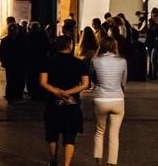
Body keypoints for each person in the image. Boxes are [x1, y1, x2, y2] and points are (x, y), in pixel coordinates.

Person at [39, 35, 90, 166]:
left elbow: (43, 82)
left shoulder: (47, 61)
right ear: (70, 46)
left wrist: (57, 92)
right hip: (72, 104)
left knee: (52, 134)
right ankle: (66, 164)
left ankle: (53, 161)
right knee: (69, 136)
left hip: (53, 103)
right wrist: (68, 93)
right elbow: (85, 84)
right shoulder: (79, 63)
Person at [90, 35, 126, 166]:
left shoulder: (95, 60)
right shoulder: (122, 61)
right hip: (117, 98)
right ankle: (111, 163)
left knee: (99, 131)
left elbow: (92, 78)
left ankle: (99, 162)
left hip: (100, 97)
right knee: (114, 134)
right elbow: (123, 81)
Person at [0, 20, 24, 101]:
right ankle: (17, 95)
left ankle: (10, 95)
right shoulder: (21, 40)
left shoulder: (5, 40)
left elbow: (1, 53)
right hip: (19, 63)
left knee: (10, 80)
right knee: (18, 79)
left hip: (10, 63)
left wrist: (4, 62)